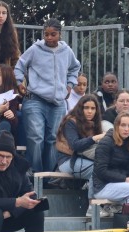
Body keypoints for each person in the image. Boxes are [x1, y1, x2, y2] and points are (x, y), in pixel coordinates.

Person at [14, 18, 81, 173]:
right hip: (35, 99)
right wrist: (19, 82)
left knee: (52, 139)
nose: (49, 37)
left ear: (60, 34)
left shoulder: (66, 51)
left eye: (53, 34)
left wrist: (69, 86)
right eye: (46, 34)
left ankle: (48, 177)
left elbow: (75, 68)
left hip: (58, 102)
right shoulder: (35, 49)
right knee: (36, 137)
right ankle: (35, 175)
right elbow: (19, 66)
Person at [91, 112, 129, 214]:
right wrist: (125, 179)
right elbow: (101, 171)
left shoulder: (128, 143)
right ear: (116, 126)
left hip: (118, 185)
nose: (126, 129)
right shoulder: (106, 143)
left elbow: (127, 169)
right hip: (102, 187)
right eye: (123, 125)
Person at [55, 94, 104, 199]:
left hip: (87, 160)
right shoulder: (71, 122)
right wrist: (95, 138)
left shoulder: (95, 124)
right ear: (80, 108)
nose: (90, 111)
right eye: (86, 108)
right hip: (68, 161)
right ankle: (93, 205)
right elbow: (75, 145)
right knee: (97, 170)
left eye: (93, 108)